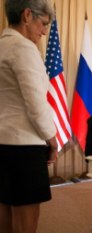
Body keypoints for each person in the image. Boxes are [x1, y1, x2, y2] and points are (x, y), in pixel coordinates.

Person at [0, 1, 57, 233]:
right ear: (26, 15)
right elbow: (35, 103)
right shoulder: (22, 47)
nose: (44, 31)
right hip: (24, 146)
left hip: (3, 144)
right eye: (43, 24)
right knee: (26, 221)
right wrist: (51, 139)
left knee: (5, 211)